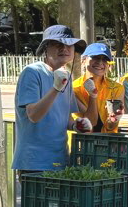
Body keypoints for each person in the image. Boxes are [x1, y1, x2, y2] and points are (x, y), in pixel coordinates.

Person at [11, 25, 92, 173]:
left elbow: (66, 118)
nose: (64, 49)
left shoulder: (66, 76)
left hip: (61, 161)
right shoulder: (32, 72)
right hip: (34, 163)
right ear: (45, 48)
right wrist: (56, 88)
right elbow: (33, 115)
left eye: (69, 45)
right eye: (57, 44)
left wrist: (77, 126)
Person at [72, 43, 124, 134]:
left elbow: (110, 127)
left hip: (107, 140)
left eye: (105, 59)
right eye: (95, 57)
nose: (100, 62)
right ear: (83, 61)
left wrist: (114, 119)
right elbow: (90, 123)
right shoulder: (74, 88)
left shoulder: (116, 88)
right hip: (81, 140)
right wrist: (93, 96)